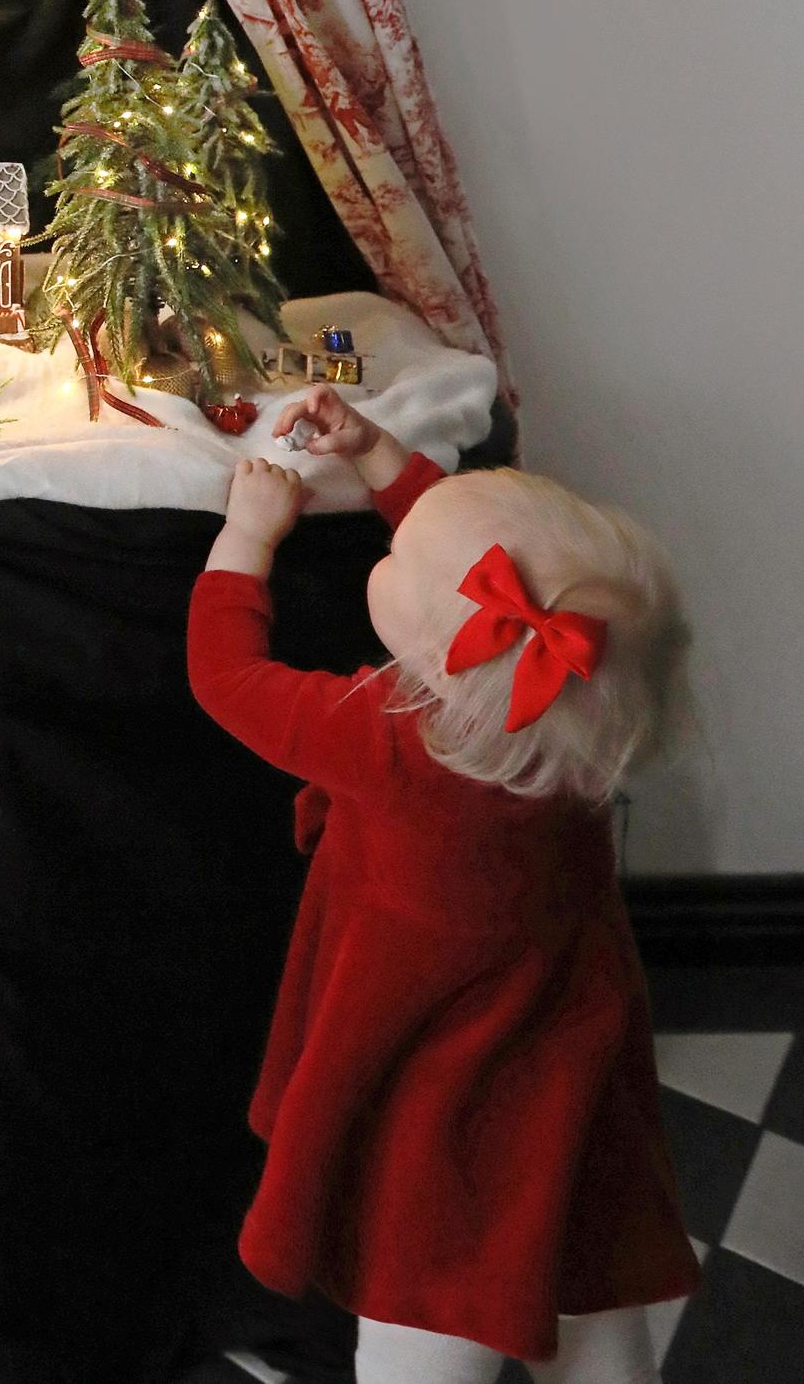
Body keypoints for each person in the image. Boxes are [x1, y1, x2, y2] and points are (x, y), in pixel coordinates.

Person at [187, 386, 699, 1384]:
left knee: (423, 1322)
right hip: (565, 1090)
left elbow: (225, 677)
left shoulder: (385, 739)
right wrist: (379, 451)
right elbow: (481, 578)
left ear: (437, 652)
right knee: (587, 1295)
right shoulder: (577, 737)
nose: (392, 545)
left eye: (397, 559)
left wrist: (246, 538)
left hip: (433, 1121)